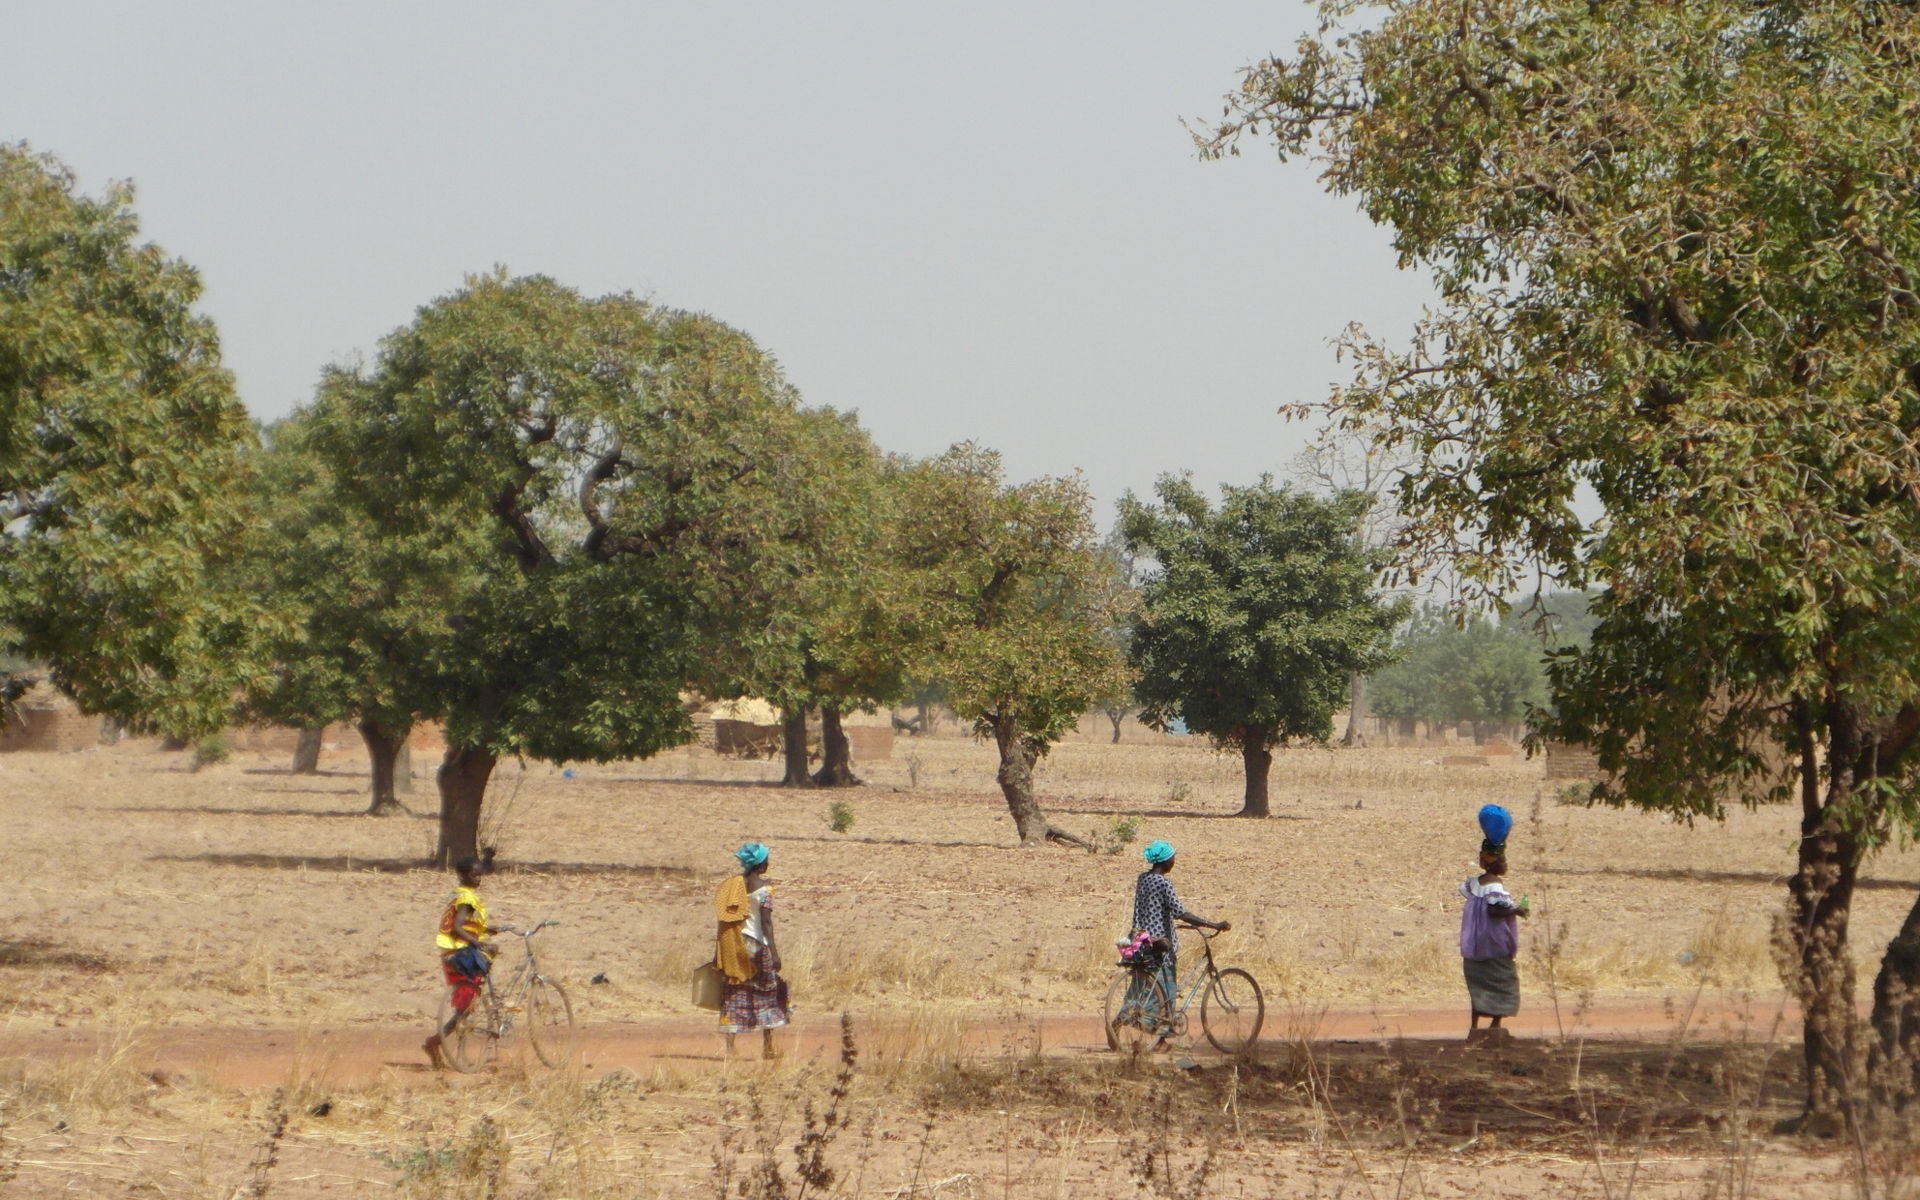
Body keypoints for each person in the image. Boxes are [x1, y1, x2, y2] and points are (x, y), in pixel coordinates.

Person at [1124, 840, 1229, 1047]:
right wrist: (1212, 924)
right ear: (1165, 861)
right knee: (1167, 988)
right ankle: (1162, 1037)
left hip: (1141, 939)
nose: (1174, 861)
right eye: (1173, 857)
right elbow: (1181, 912)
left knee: (1142, 985)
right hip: (1160, 942)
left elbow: (1153, 908)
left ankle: (1121, 1020)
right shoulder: (1164, 883)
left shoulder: (1143, 878)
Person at [1460, 805, 1529, 1044]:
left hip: (1474, 946)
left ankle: (1474, 1027)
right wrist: (1517, 910)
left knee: (1478, 986)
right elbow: (1495, 910)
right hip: (1494, 944)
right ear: (1499, 862)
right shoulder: (1495, 887)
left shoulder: (1473, 884)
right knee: (1501, 981)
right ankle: (1496, 1027)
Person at [714, 842, 788, 1058]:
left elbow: (724, 919)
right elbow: (766, 923)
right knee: (767, 992)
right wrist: (774, 952)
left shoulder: (732, 887)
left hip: (734, 944)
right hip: (757, 944)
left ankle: (730, 1048)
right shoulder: (765, 889)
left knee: (734, 992)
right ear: (762, 864)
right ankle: (769, 1047)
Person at [424, 855, 492, 1068]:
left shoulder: (462, 895)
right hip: (460, 954)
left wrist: (488, 930)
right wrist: (477, 943)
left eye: (480, 874)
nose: (478, 878)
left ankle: (459, 1053)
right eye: (474, 875)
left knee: (467, 1005)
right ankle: (436, 1042)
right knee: (464, 1007)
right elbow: (458, 927)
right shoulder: (466, 898)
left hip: (455, 952)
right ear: (463, 875)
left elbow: (465, 922)